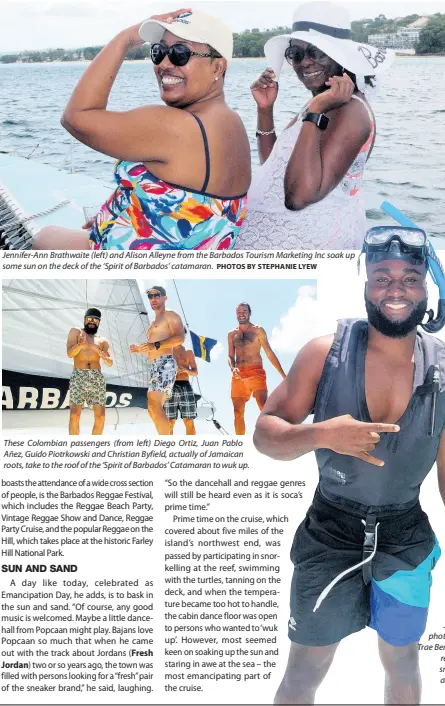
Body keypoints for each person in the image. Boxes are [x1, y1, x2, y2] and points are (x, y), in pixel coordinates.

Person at [253, 228, 445, 704]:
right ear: (365, 284)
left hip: (405, 536)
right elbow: (265, 434)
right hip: (329, 531)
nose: (395, 289)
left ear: (426, 289)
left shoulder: (444, 368)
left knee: (403, 662)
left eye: (409, 278)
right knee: (304, 669)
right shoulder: (323, 354)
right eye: (382, 277)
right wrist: (320, 434)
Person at [32, 9, 250, 251]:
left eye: (180, 53)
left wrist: (124, 39)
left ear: (218, 68)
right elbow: (192, 208)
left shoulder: (175, 126)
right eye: (158, 52)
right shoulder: (231, 123)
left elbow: (75, 118)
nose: (164, 64)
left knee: (45, 237)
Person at [236, 1, 393, 250]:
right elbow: (275, 166)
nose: (305, 62)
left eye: (317, 52)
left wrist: (316, 110)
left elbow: (298, 197)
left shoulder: (348, 110)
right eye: (296, 54)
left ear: (341, 57)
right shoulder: (323, 102)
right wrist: (265, 110)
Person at [130, 286, 184, 434]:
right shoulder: (151, 325)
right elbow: (152, 349)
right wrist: (140, 350)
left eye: (157, 295)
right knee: (152, 409)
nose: (153, 299)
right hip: (155, 366)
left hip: (165, 363)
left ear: (164, 298)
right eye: (150, 296)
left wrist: (155, 345)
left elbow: (180, 338)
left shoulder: (170, 315)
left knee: (154, 406)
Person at [228, 302, 286, 435]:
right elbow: (230, 356)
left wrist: (283, 375)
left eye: (244, 311)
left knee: (264, 407)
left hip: (256, 372)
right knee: (237, 413)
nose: (241, 314)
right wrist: (232, 368)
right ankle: (240, 443)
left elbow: (269, 353)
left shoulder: (258, 330)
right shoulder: (231, 334)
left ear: (249, 313)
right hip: (238, 376)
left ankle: (276, 437)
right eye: (238, 312)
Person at [66, 308, 113, 435]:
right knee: (75, 415)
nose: (92, 322)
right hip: (79, 375)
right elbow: (70, 353)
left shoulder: (102, 341)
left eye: (95, 320)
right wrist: (80, 345)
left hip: (96, 377)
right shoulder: (76, 332)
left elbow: (110, 362)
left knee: (101, 417)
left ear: (98, 322)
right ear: (84, 319)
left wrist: (104, 356)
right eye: (89, 319)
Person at [164, 337, 198, 435]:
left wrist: (187, 370)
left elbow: (195, 372)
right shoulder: (166, 351)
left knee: (189, 421)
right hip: (170, 386)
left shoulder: (188, 352)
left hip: (185, 386)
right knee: (169, 422)